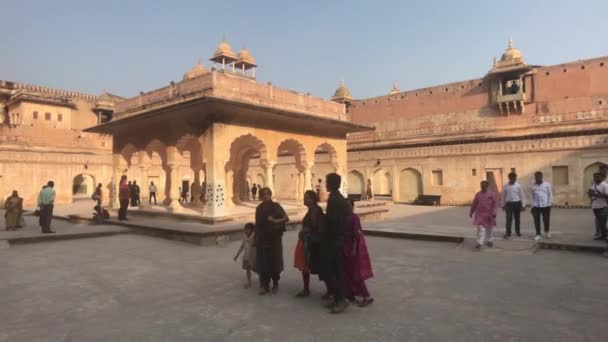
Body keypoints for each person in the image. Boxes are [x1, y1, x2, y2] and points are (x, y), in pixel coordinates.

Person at [322, 173, 349, 314]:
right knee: (335, 270)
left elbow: (332, 221)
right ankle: (338, 298)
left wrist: (322, 219)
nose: (325, 184)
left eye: (327, 182)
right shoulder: (340, 198)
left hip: (334, 239)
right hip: (338, 237)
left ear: (331, 183)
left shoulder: (334, 199)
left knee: (333, 271)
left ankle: (341, 300)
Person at [255, 187, 289, 295]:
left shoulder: (276, 206)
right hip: (263, 238)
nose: (265, 196)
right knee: (263, 261)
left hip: (274, 238)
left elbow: (286, 218)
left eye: (267, 194)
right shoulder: (259, 208)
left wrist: (274, 220)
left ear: (270, 195)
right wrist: (256, 238)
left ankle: (275, 283)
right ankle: (265, 285)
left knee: (274, 261)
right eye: (263, 194)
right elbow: (257, 224)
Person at [342, 198, 374, 307]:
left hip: (351, 248)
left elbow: (357, 235)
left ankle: (366, 295)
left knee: (355, 273)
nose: (346, 207)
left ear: (352, 206)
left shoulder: (354, 218)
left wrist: (354, 249)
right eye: (344, 205)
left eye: (348, 205)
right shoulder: (344, 217)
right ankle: (349, 293)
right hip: (345, 247)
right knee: (347, 272)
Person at [294, 190, 325, 298]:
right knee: (305, 266)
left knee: (315, 265)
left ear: (312, 199)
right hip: (308, 240)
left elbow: (314, 226)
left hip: (311, 241)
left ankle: (330, 291)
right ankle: (306, 289)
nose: (304, 199)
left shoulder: (314, 210)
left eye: (306, 197)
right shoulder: (313, 209)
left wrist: (304, 231)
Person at [470, 180, 497, 249]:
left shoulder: (492, 194)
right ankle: (479, 242)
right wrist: (471, 211)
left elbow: (494, 204)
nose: (483, 187)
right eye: (481, 186)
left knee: (489, 228)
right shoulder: (478, 194)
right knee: (480, 228)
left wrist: (494, 212)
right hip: (480, 214)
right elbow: (474, 203)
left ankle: (489, 240)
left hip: (489, 214)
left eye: (484, 186)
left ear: (487, 186)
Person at [501, 172, 525, 239]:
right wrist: (503, 205)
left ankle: (518, 232)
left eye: (514, 177)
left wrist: (523, 205)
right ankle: (508, 233)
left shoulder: (518, 186)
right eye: (512, 177)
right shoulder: (505, 186)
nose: (513, 179)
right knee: (508, 219)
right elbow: (503, 196)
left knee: (517, 219)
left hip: (517, 203)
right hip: (508, 204)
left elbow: (522, 195)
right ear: (509, 178)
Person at [530, 171, 552, 241]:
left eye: (539, 176)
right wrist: (532, 206)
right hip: (536, 206)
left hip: (545, 205)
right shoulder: (533, 186)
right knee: (536, 221)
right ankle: (538, 234)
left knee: (546, 220)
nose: (537, 178)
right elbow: (532, 196)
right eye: (536, 177)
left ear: (541, 177)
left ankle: (547, 231)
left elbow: (550, 195)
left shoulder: (547, 185)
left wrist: (549, 204)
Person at [234, 223, 257, 288]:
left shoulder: (255, 236)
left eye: (248, 229)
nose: (246, 231)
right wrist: (237, 255)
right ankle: (249, 282)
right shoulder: (244, 236)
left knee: (257, 269)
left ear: (252, 230)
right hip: (246, 256)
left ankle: (263, 281)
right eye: (245, 229)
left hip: (254, 256)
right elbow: (242, 246)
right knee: (247, 269)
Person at [588, 173, 608, 240]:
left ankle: (605, 235)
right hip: (595, 206)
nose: (596, 178)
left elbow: (607, 196)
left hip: (603, 206)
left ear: (602, 178)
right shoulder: (593, 186)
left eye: (598, 177)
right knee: (599, 222)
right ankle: (603, 236)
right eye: (595, 177)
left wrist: (596, 195)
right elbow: (590, 195)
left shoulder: (605, 185)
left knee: (602, 222)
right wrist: (590, 194)